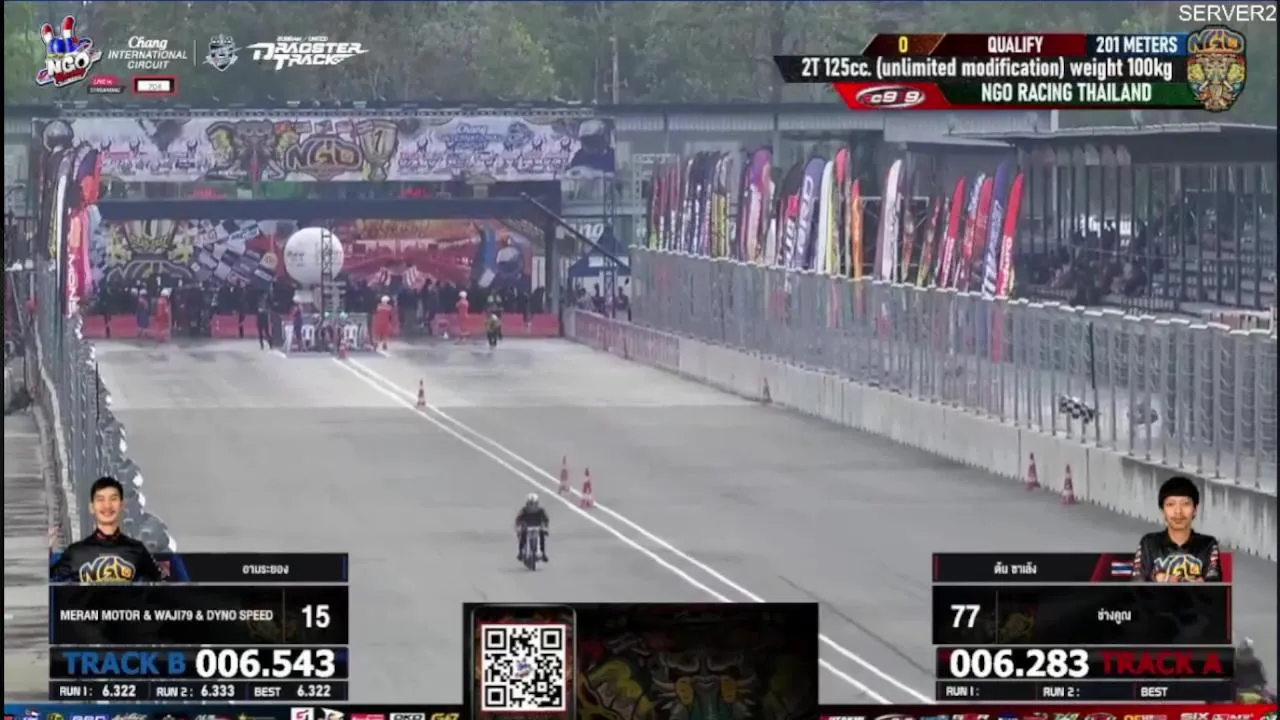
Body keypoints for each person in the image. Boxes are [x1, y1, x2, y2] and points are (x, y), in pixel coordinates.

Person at [50, 476, 165, 583]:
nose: (107, 506)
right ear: (91, 507)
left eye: (113, 499)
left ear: (122, 506)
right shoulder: (76, 552)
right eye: (100, 499)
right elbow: (51, 580)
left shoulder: (138, 550)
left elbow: (163, 585)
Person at [1132, 476, 1221, 582]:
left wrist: (1167, 579)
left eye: (1185, 504)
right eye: (1170, 504)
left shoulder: (1207, 545)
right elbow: (1137, 584)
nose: (1178, 511)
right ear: (1163, 511)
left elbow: (1213, 585)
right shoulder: (1149, 543)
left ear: (1195, 510)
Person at [514, 492, 550, 563]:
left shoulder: (540, 510)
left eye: (533, 503)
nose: (532, 506)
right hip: (527, 528)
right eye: (531, 503)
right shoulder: (524, 510)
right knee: (523, 537)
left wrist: (545, 526)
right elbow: (518, 518)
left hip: (538, 528)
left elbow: (546, 519)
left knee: (542, 537)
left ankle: (543, 553)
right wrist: (518, 526)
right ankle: (520, 552)